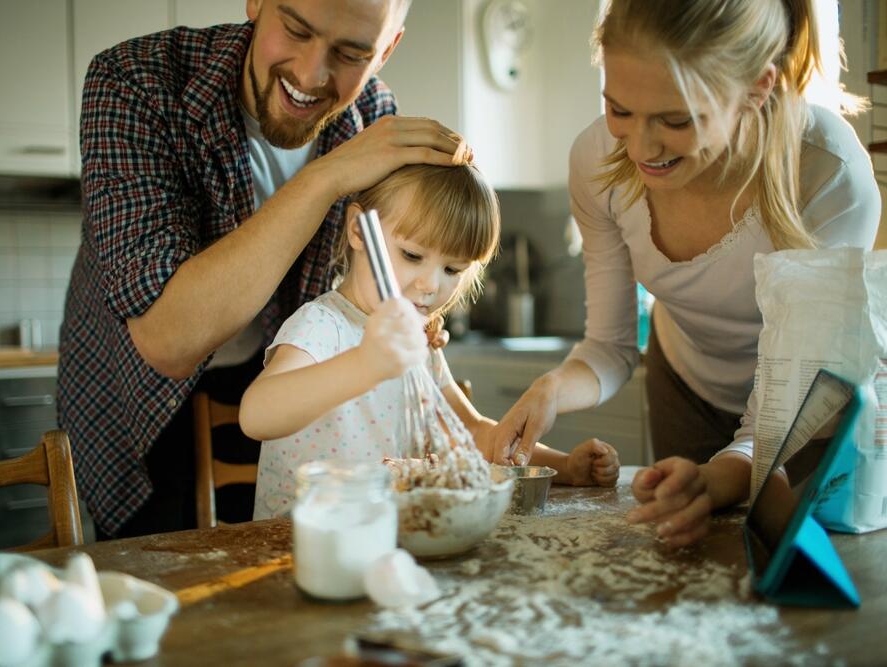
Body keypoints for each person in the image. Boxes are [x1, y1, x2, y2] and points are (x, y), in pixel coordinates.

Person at [57, 0, 472, 539]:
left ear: (386, 50)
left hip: (283, 380)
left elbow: (372, 264)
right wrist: (327, 176)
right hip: (142, 403)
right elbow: (168, 343)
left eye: (350, 53)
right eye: (295, 29)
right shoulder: (135, 81)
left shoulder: (373, 111)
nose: (309, 73)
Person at [484, 0, 880, 547]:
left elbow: (781, 408)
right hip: (684, 387)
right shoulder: (597, 161)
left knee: (774, 575)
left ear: (757, 88)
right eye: (619, 109)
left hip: (800, 413)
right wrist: (551, 389)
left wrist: (725, 476)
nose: (642, 148)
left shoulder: (828, 175)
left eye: (675, 120)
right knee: (683, 554)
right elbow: (610, 348)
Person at [239, 164, 621, 519]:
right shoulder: (323, 325)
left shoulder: (418, 341)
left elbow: (473, 435)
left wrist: (566, 467)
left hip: (389, 542)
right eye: (411, 255)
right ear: (359, 231)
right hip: (298, 546)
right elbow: (256, 414)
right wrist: (364, 364)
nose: (430, 285)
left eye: (452, 269)